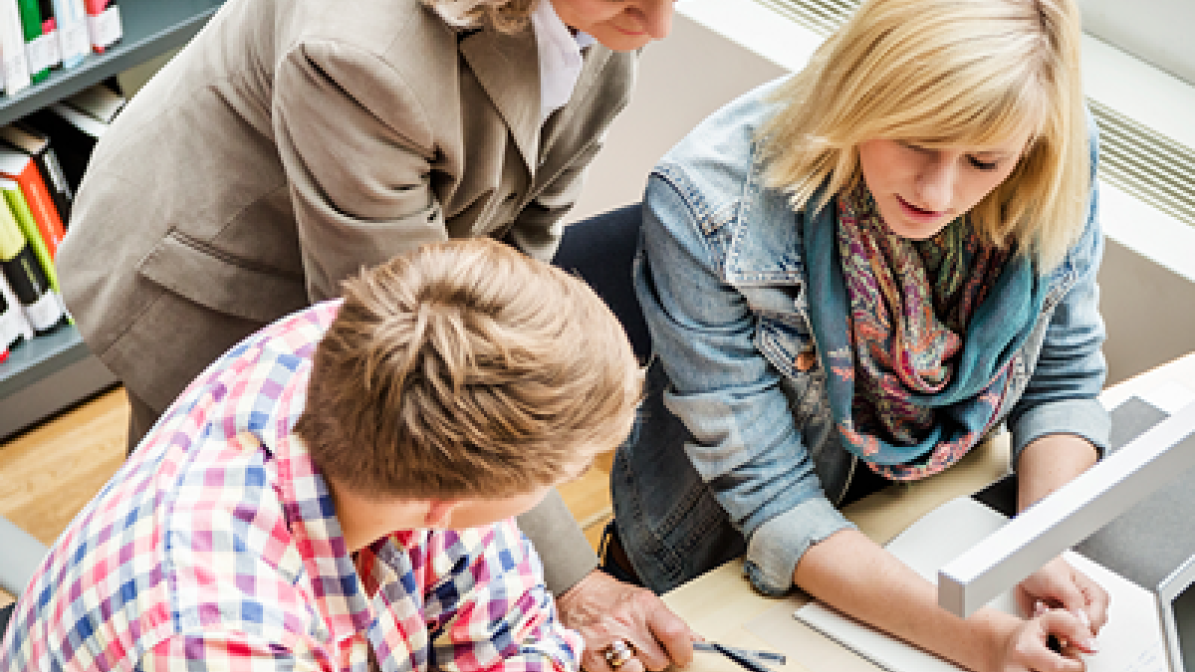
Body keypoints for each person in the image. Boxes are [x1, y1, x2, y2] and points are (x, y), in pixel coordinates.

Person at [54, 0, 689, 667]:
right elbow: (439, 360)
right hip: (213, 269)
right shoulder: (358, 46)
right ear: (444, 500)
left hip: (374, 306)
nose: (660, 25)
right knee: (213, 537)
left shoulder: (610, 14)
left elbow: (511, 269)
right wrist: (572, 581)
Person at [607, 0, 1115, 670]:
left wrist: (1038, 544)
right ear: (861, 91)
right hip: (723, 567)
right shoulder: (706, 201)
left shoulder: (1052, 149)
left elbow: (1062, 376)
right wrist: (979, 641)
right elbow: (772, 498)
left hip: (927, 515)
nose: (939, 191)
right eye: (915, 141)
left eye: (984, 162)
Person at [0, 239, 643, 671]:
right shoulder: (220, 635)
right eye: (568, 469)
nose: (577, 478)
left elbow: (513, 632)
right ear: (443, 504)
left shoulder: (388, 346)